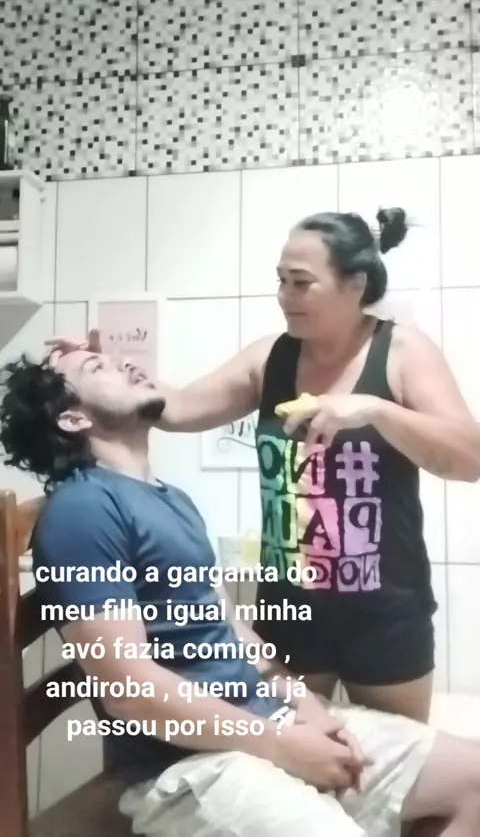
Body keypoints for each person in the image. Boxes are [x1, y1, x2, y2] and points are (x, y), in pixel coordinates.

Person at [1, 349, 479, 837]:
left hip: (264, 724)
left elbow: (231, 627)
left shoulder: (171, 499)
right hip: (192, 767)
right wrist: (282, 746)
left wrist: (304, 703)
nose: (123, 363)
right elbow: (130, 692)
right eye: (97, 368)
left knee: (473, 781)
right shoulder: (83, 510)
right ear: (73, 418)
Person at [43, 207, 480, 725]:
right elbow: (176, 409)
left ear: (355, 284)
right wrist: (89, 377)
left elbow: (468, 458)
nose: (285, 296)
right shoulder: (270, 358)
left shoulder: (402, 351)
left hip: (387, 611)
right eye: (281, 280)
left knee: (401, 763)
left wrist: (375, 411)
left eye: (302, 282)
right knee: (302, 754)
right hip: (288, 610)